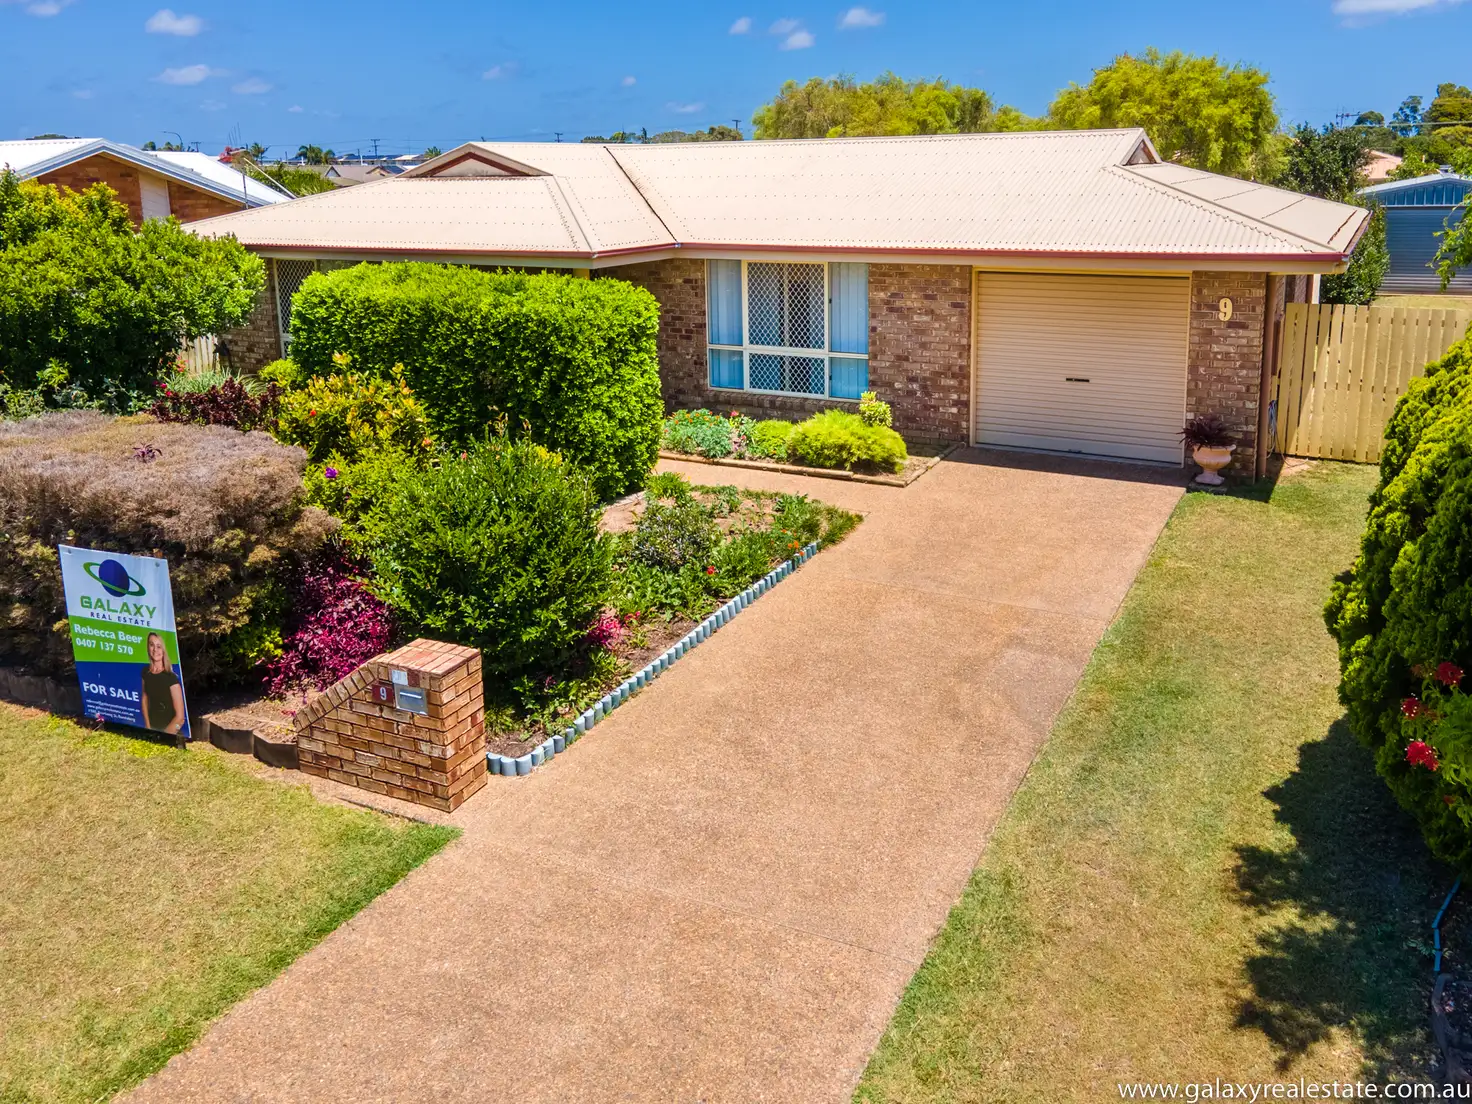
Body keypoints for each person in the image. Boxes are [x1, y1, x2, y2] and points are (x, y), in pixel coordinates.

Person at [139, 632, 184, 734]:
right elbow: (145, 698)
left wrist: (164, 735)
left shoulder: (171, 679)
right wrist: (148, 727)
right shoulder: (145, 672)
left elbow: (180, 718)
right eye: (152, 645)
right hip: (152, 728)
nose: (155, 650)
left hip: (169, 731)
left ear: (163, 650)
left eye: (159, 646)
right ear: (148, 647)